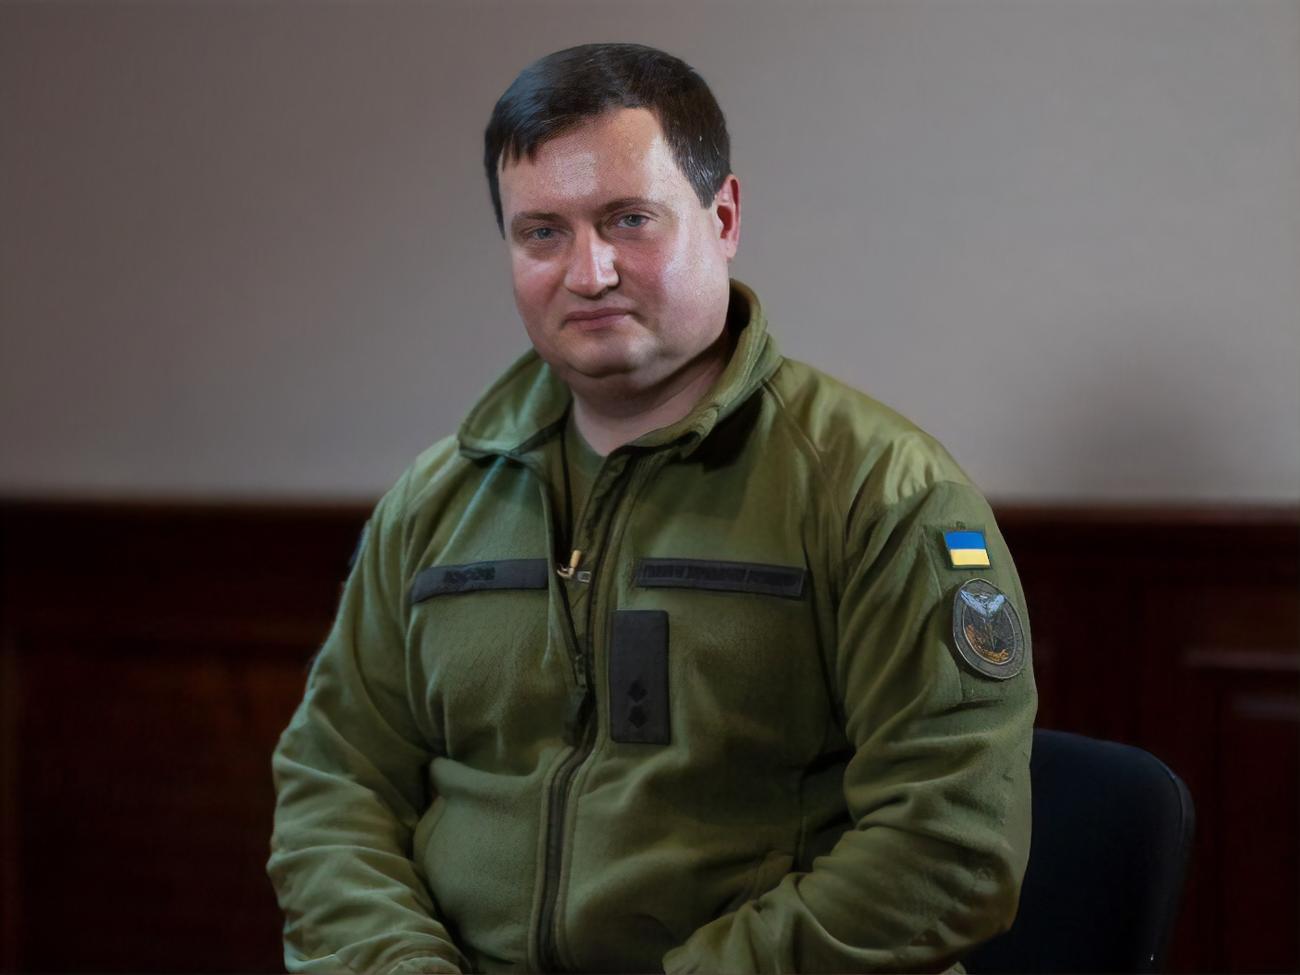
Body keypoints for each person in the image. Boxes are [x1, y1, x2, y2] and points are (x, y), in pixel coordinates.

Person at [268, 42, 1036, 975]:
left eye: (629, 220)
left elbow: (950, 848)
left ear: (724, 217)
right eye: (541, 233)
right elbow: (335, 784)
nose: (588, 272)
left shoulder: (887, 496)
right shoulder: (435, 501)